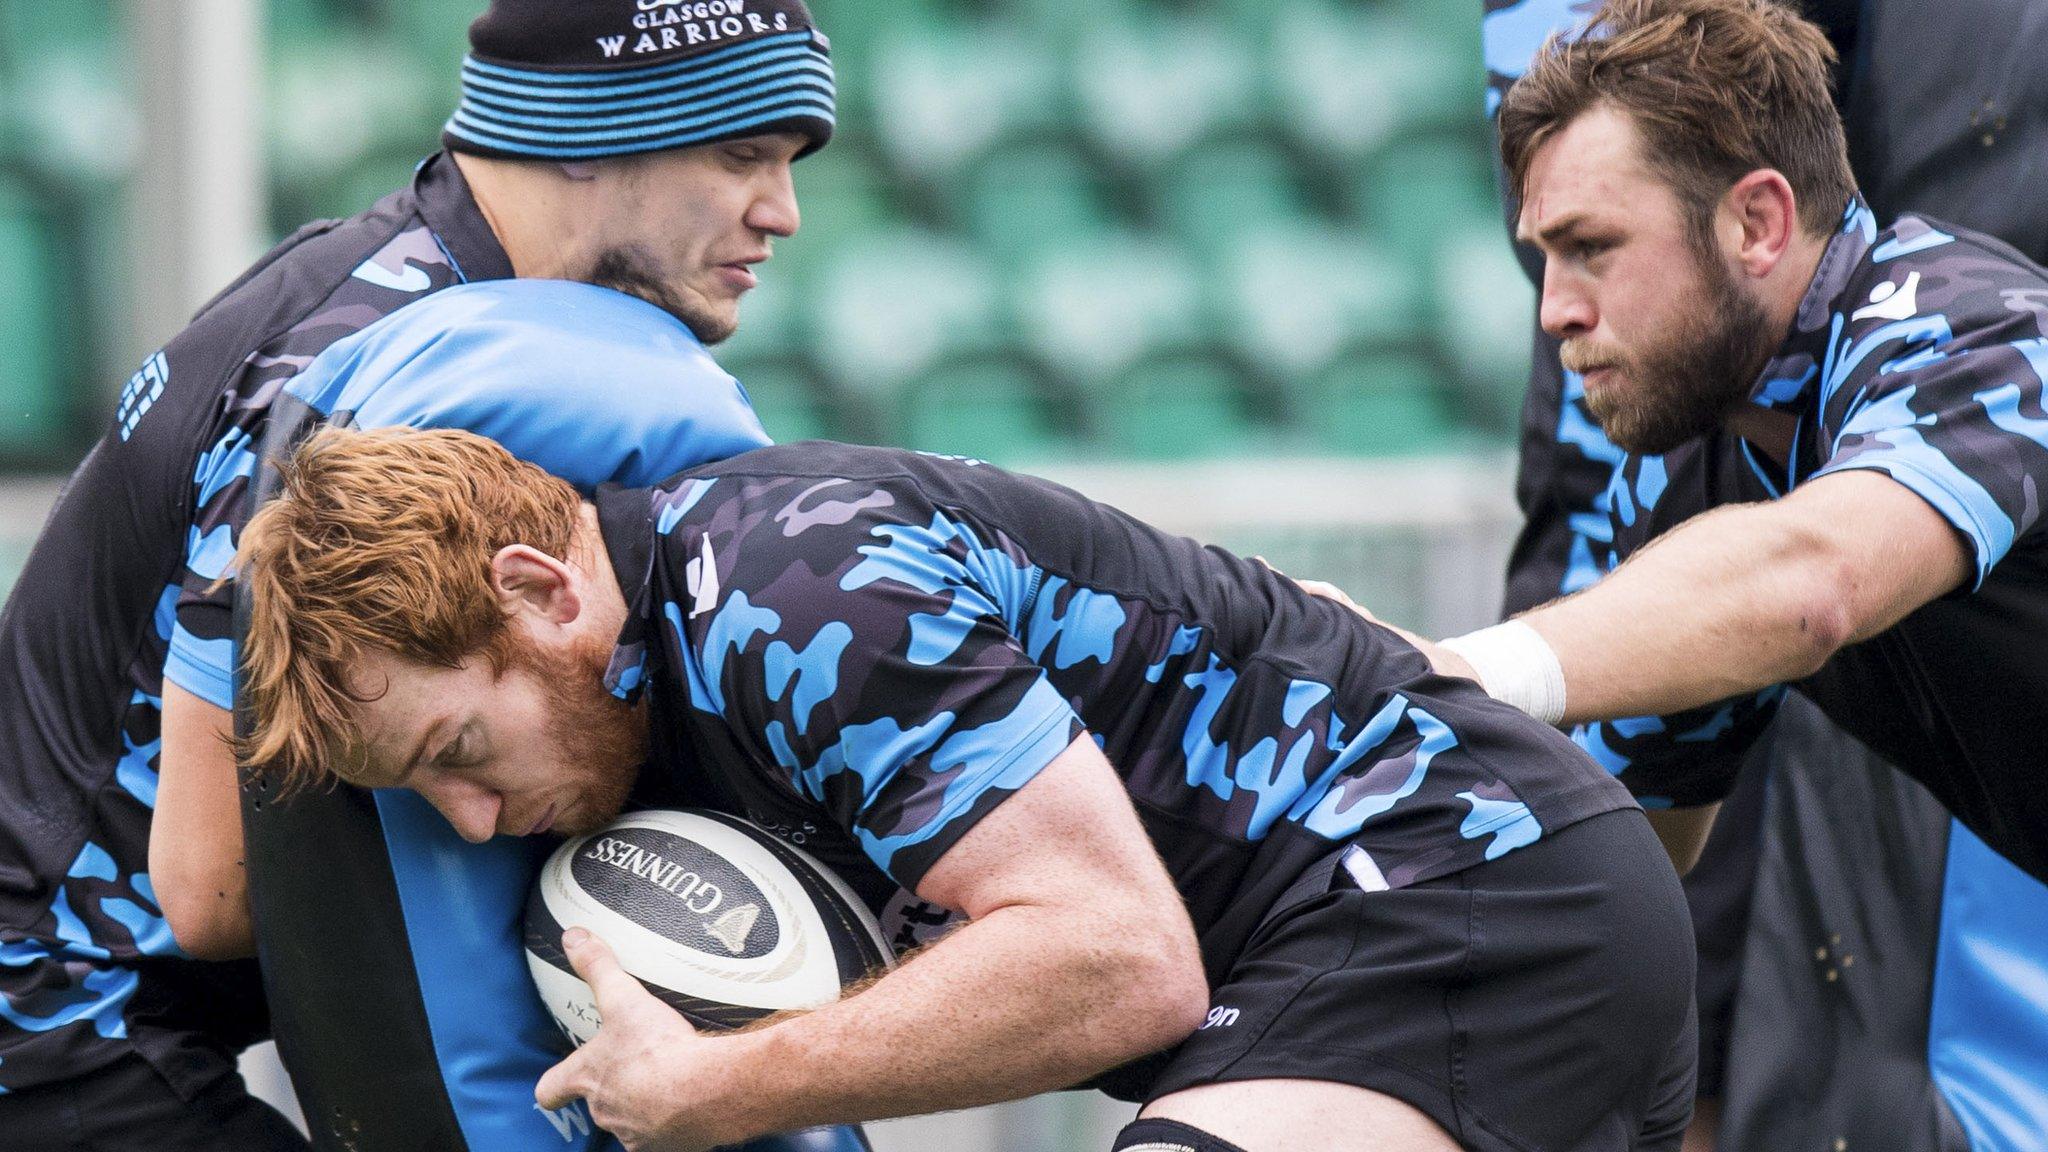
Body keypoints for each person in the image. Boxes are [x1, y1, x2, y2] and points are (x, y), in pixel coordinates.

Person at [234, 424, 1697, 1152]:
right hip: (1361, 947)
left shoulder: (788, 591)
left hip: (1469, 897)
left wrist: (718, 1088)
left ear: (541, 591)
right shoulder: (655, 671)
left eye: (457, 757)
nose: (474, 826)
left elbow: (1119, 964)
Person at [0, 1, 855, 1147]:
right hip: (60, 1030)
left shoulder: (459, 315)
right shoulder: (358, 370)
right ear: (594, 130)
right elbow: (205, 886)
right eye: (743, 154)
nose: (782, 212)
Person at [1477, 2, 2048, 1149]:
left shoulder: (1963, 332)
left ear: (1754, 221)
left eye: (1591, 249)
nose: (1555, 313)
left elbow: (1810, 581)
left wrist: (1460, 671)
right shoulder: (1694, 469)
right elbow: (1641, 850)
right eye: (1542, 259)